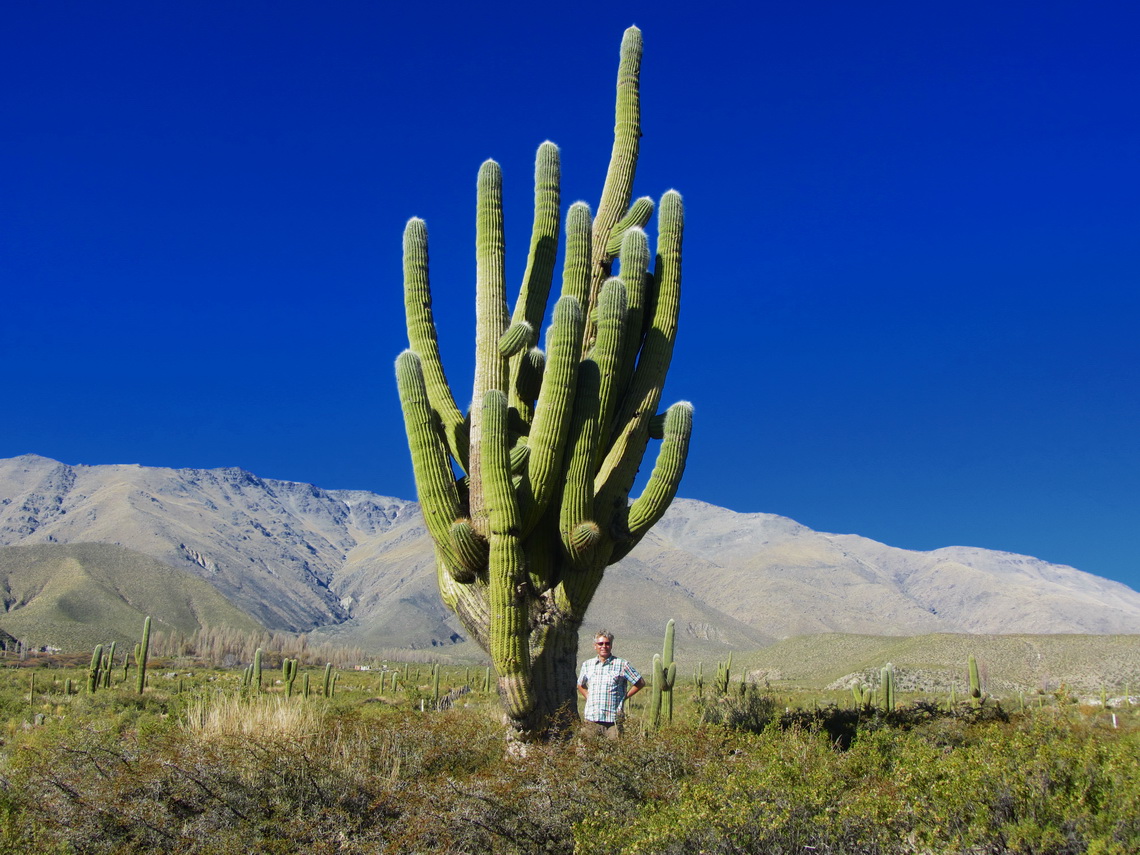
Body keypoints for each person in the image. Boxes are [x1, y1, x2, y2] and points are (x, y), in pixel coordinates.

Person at [577, 630, 644, 738]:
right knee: (586, 752)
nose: (604, 646)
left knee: (614, 753)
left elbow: (640, 682)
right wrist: (588, 696)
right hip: (591, 719)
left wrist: (624, 697)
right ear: (595, 646)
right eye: (600, 644)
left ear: (611, 645)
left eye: (607, 643)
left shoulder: (622, 664)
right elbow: (580, 684)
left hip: (613, 721)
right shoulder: (587, 665)